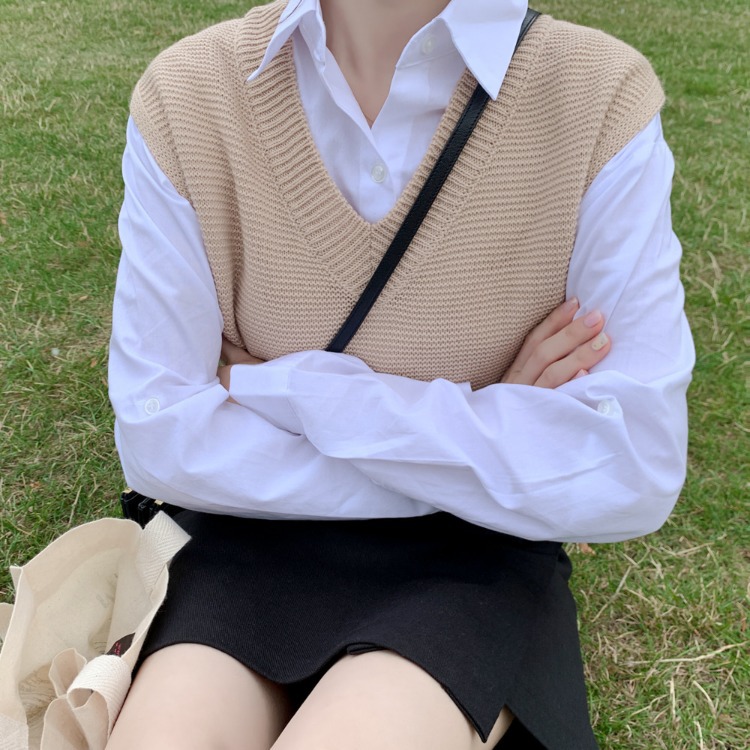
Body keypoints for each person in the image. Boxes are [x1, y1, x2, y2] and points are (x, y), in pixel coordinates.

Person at [105, 0, 694, 747]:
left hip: (473, 558)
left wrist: (290, 391)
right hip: (248, 538)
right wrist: (487, 418)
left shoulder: (595, 94)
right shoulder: (191, 93)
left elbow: (632, 463)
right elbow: (160, 439)